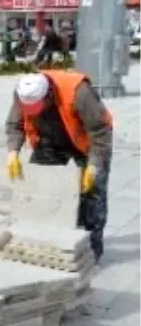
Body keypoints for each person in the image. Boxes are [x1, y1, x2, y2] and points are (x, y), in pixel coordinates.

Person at [6, 71, 113, 261]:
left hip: (86, 144)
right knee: (41, 192)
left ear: (48, 95)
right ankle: (44, 245)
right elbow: (15, 124)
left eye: (37, 107)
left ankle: (91, 251)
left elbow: (101, 131)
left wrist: (94, 165)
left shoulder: (80, 93)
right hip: (49, 141)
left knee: (92, 198)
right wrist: (13, 151)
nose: (33, 112)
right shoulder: (23, 92)